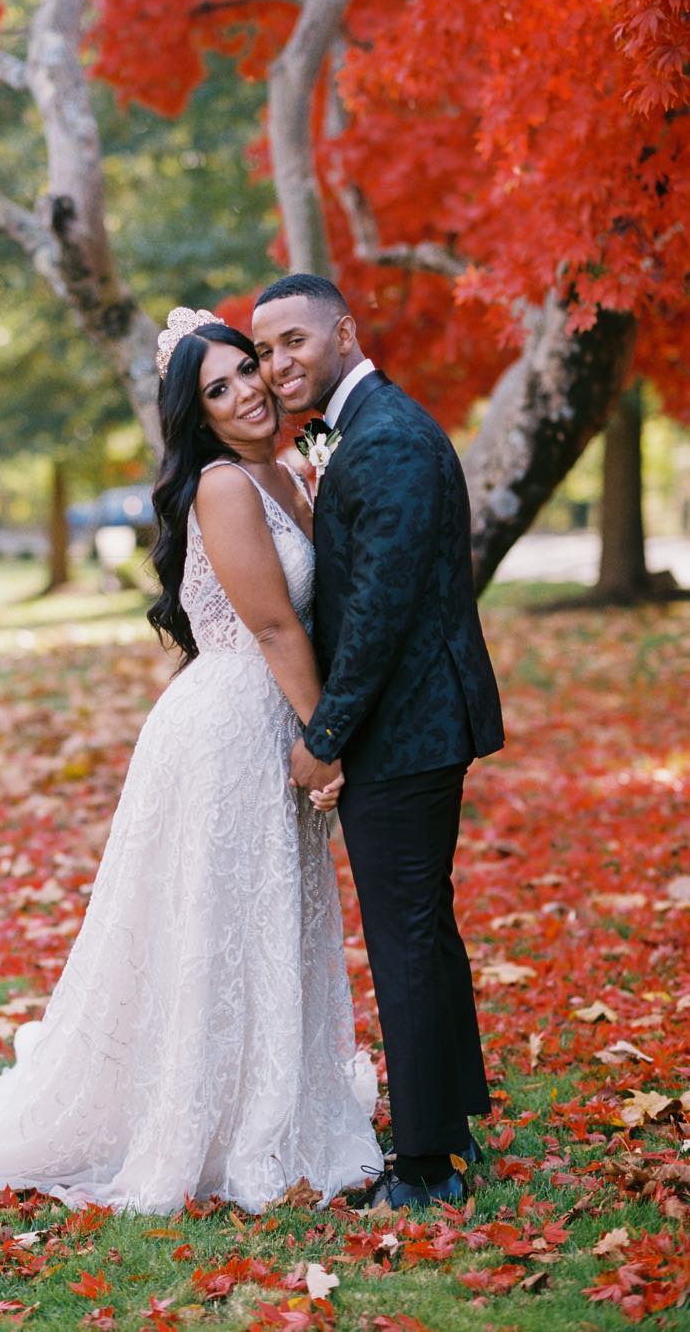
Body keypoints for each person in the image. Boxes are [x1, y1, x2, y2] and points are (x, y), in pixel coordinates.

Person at [0, 309, 384, 1214]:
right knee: (215, 920)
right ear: (195, 414)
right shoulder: (226, 487)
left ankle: (264, 1100)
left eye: (247, 370)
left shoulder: (285, 473)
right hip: (231, 729)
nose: (244, 392)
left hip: (268, 714)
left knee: (269, 913)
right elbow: (275, 625)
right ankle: (199, 1116)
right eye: (219, 388)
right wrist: (327, 745)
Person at [251, 274, 505, 1209]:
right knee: (424, 929)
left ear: (344, 333)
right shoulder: (365, 430)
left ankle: (429, 1167)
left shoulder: (388, 441)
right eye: (265, 348)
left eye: (294, 343)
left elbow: (380, 618)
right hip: (417, 720)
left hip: (409, 728)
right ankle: (456, 1122)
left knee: (404, 939)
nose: (278, 365)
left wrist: (326, 736)